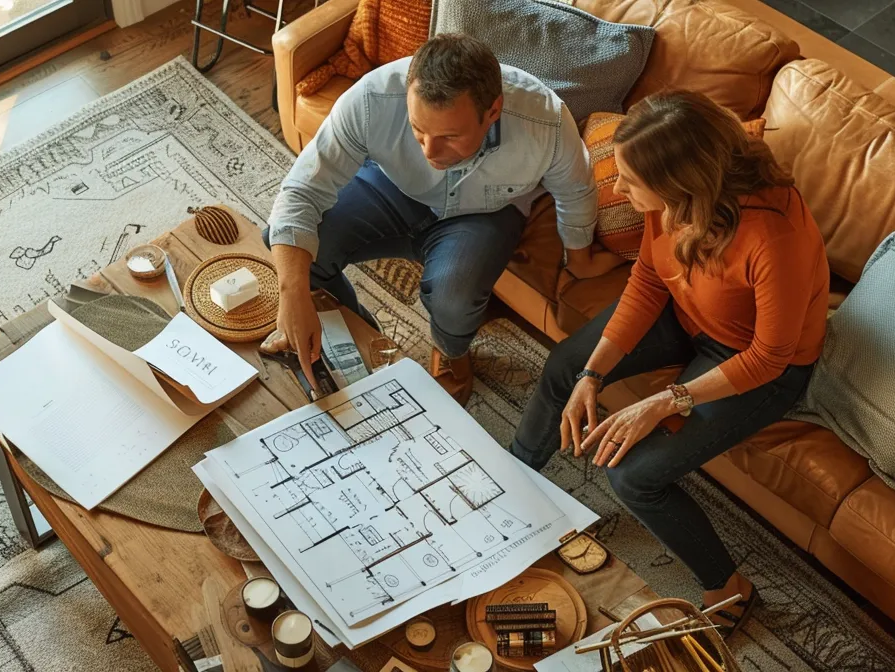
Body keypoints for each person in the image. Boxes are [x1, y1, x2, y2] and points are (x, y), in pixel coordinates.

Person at [509, 90, 829, 633]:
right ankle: (516, 479)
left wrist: (665, 401)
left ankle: (729, 589)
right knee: (567, 365)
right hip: (686, 314)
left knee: (635, 477)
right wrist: (593, 372)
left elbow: (770, 356)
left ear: (681, 182)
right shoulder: (670, 203)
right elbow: (650, 279)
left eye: (629, 180)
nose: (615, 188)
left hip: (755, 363)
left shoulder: (773, 235)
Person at [263, 34, 620, 404]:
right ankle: (353, 328)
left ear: (493, 111)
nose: (430, 151)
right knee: (286, 246)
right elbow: (301, 193)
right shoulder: (371, 99)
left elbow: (576, 191)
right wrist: (294, 296)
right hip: (393, 189)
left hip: (485, 215)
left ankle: (452, 352)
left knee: (455, 299)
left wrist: (580, 259)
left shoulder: (545, 123)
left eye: (449, 136)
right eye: (418, 130)